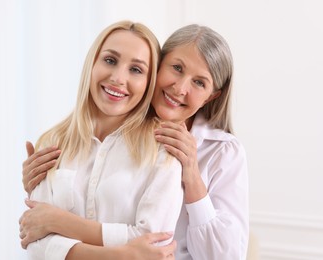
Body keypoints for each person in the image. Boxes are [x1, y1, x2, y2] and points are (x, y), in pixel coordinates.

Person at [20, 23, 249, 260]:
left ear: (211, 97)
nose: (179, 88)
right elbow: (36, 236)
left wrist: (192, 176)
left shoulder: (220, 152)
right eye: (177, 68)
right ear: (157, 68)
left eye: (199, 82)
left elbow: (221, 256)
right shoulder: (87, 134)